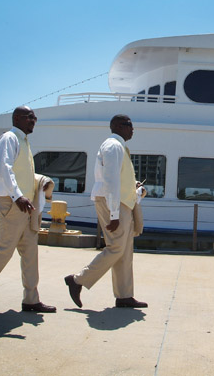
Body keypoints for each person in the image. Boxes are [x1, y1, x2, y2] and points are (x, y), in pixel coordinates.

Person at [0, 105, 56, 315]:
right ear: (17, 118)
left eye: (35, 117)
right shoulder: (9, 138)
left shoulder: (24, 142)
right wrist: (17, 196)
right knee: (4, 251)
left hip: (24, 206)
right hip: (12, 204)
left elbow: (22, 174)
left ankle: (31, 300)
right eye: (29, 117)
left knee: (30, 253)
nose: (33, 120)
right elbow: (4, 168)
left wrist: (40, 183)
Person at [64, 114, 147, 309]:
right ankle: (77, 281)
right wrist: (114, 214)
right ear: (118, 126)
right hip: (112, 204)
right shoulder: (113, 146)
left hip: (120, 203)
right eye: (129, 125)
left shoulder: (120, 147)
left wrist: (135, 191)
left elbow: (117, 180)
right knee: (116, 247)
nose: (132, 129)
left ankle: (124, 295)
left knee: (125, 251)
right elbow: (110, 181)